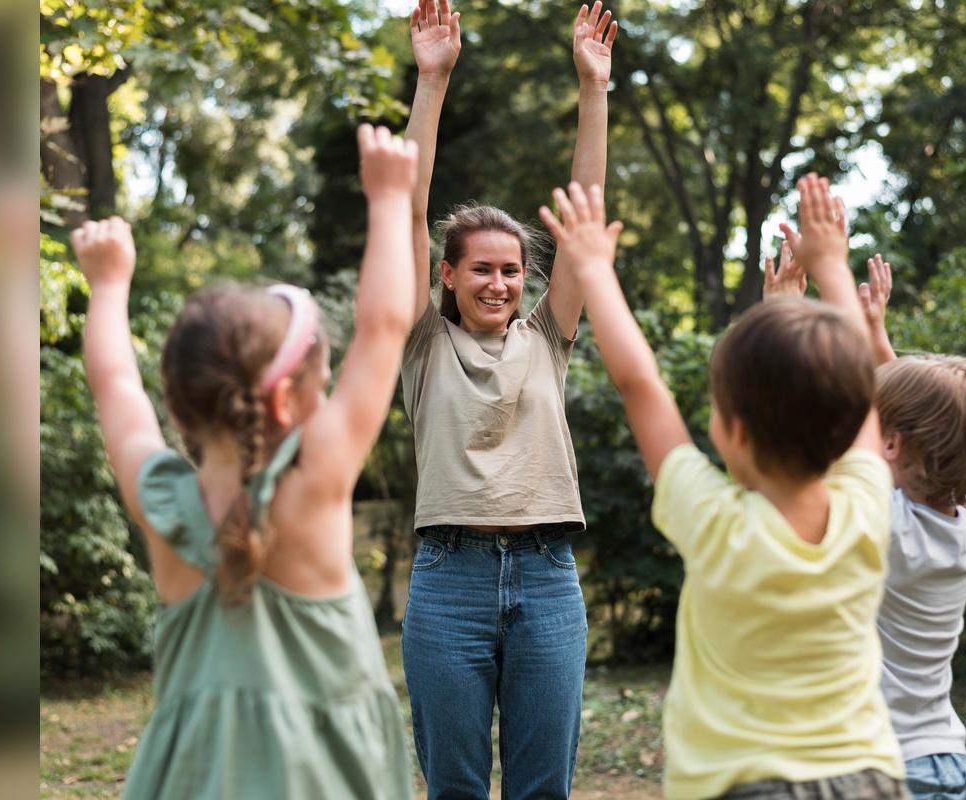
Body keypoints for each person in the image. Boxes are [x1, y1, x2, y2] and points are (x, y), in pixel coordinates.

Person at [72, 125, 419, 799]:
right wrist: (388, 197)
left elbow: (114, 383)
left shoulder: (162, 499)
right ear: (290, 400)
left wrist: (109, 283)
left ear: (178, 402)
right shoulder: (315, 483)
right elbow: (383, 327)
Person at [540, 175, 907, 799]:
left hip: (741, 787)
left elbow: (641, 384)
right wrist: (830, 268)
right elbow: (859, 391)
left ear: (732, 430)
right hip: (868, 779)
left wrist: (595, 269)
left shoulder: (714, 523)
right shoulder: (868, 506)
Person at [397, 1, 618, 796]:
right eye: (481, 268)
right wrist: (433, 78)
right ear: (447, 274)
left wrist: (594, 91)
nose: (499, 282)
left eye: (511, 270)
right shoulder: (421, 340)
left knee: (542, 790)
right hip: (448, 580)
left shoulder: (545, 340)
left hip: (547, 576)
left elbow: (584, 217)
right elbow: (403, 208)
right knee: (453, 788)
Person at [857, 255, 966, 800]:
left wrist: (809, 292)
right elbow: (933, 420)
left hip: (883, 769)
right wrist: (876, 333)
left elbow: (880, 430)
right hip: (944, 762)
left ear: (891, 444)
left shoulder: (884, 522)